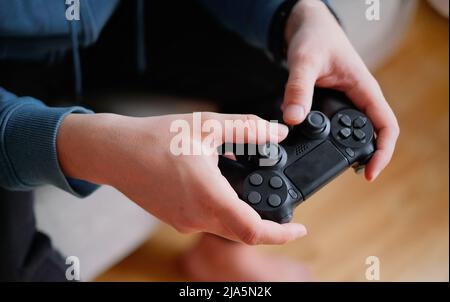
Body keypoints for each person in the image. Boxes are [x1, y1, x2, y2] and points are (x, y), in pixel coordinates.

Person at [0, 0, 399, 281]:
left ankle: (219, 254)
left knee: (293, 79)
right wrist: (95, 150)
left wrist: (296, 12)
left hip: (121, 16)